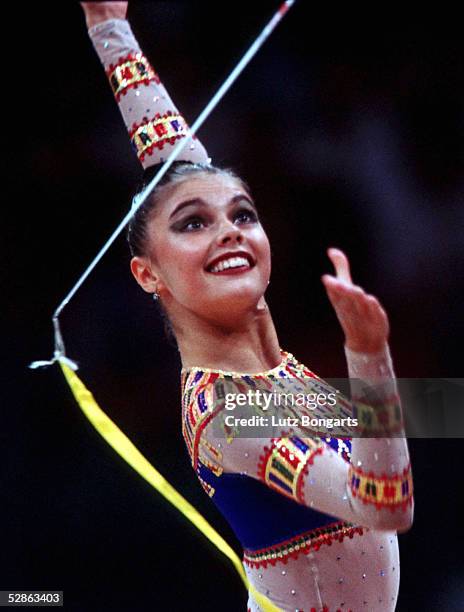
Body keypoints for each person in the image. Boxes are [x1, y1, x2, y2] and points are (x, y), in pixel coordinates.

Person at [81, 3, 414, 610]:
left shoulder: (276, 372)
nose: (229, 230)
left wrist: (109, 26)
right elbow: (386, 503)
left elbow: (181, 163)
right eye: (193, 225)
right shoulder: (226, 413)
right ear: (146, 275)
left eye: (243, 214)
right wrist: (369, 356)